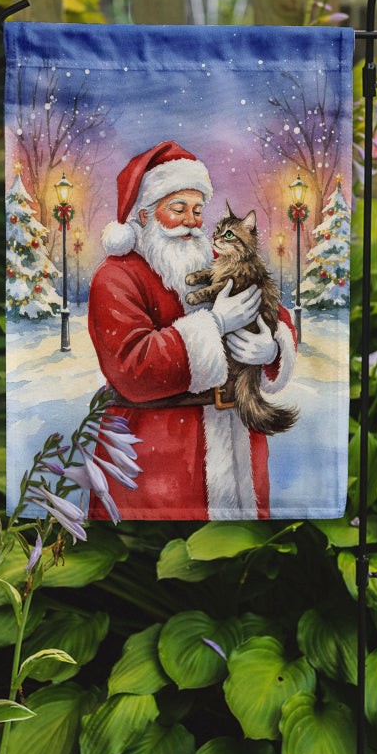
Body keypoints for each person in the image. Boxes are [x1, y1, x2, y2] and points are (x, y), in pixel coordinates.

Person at [87, 140, 297, 520]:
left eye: (198, 210)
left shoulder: (219, 259)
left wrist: (272, 348)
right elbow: (132, 367)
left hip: (238, 444)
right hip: (156, 450)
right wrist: (214, 325)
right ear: (146, 215)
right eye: (178, 209)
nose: (192, 221)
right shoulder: (115, 276)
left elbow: (277, 315)